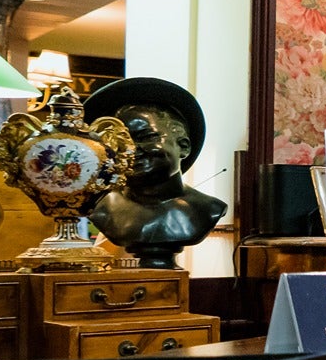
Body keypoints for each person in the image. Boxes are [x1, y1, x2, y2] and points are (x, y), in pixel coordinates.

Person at [85, 77, 226, 268]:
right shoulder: (100, 209)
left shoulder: (208, 209)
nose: (131, 149)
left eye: (146, 137)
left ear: (183, 146)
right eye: (118, 143)